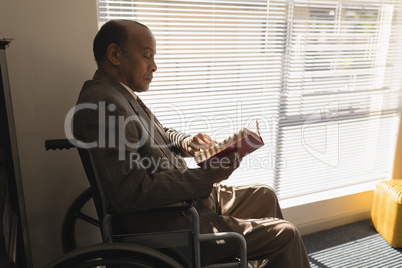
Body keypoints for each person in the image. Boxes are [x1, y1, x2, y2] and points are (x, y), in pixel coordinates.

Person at [73, 19, 311, 267]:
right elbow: (130, 193)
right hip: (170, 223)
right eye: (147, 56)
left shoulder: (119, 95)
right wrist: (207, 176)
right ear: (114, 54)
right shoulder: (105, 106)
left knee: (265, 195)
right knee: (287, 234)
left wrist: (185, 142)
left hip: (185, 201)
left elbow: (158, 132)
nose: (154, 66)